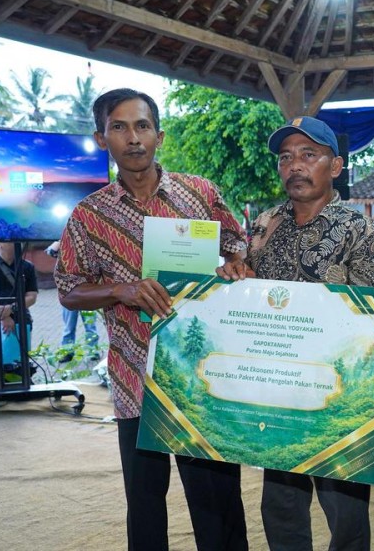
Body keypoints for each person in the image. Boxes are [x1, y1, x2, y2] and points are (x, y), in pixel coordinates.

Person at [54, 88, 249, 551]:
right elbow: (67, 289)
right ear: (103, 139)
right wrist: (119, 289)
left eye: (142, 126)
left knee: (217, 500)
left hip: (202, 375)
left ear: (159, 135)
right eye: (119, 127)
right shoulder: (89, 216)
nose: (133, 138)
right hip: (134, 377)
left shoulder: (199, 193)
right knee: (145, 503)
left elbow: (238, 246)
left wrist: (235, 265)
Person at [218, 115, 374, 551]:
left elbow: (371, 320)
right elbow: (243, 288)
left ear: (335, 167)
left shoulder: (362, 232)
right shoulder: (263, 224)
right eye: (286, 157)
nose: (295, 165)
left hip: (335, 392)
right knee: (280, 507)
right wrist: (235, 274)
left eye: (309, 155)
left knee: (345, 514)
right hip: (277, 392)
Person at [0, 241, 39, 379]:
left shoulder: (27, 266)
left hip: (21, 320)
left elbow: (32, 296)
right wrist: (3, 317)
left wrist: (12, 308)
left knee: (19, 363)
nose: (18, 243)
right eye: (12, 240)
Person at [46, 241, 98, 348]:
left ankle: (92, 350)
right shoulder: (65, 243)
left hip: (88, 291)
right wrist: (61, 243)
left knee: (90, 324)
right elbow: (50, 252)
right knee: (69, 325)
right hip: (69, 292)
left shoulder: (89, 243)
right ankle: (67, 350)